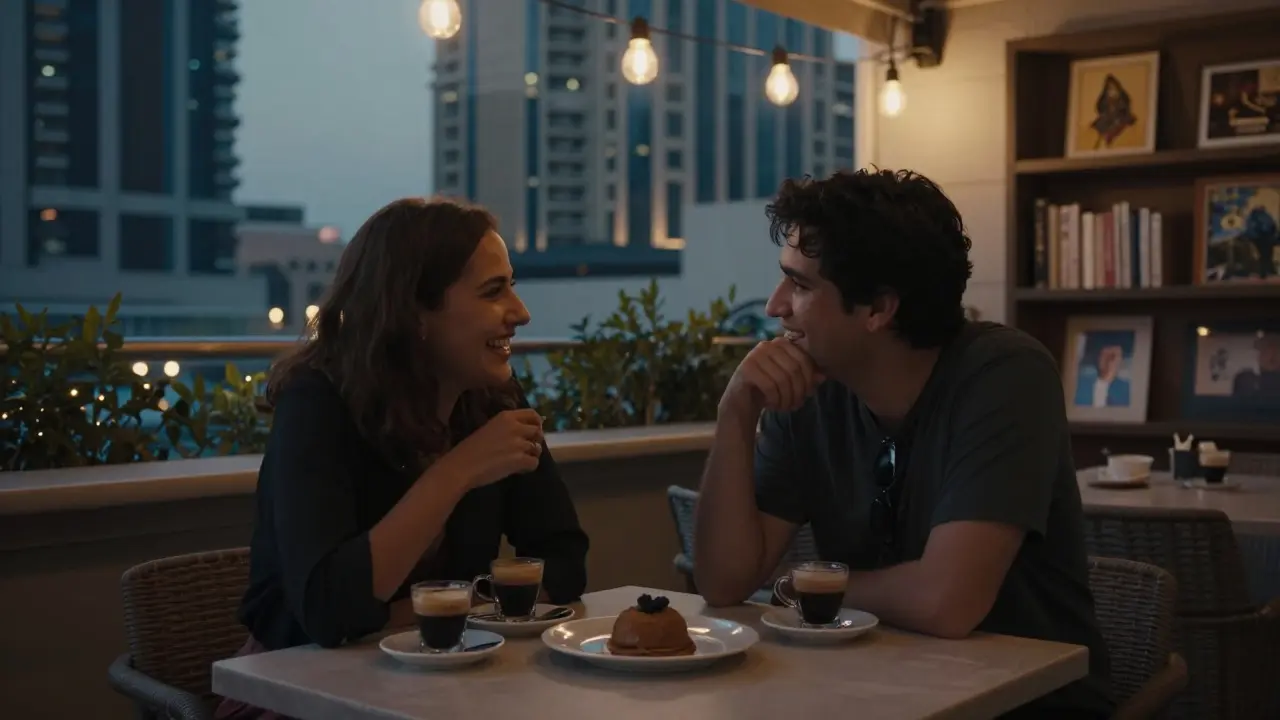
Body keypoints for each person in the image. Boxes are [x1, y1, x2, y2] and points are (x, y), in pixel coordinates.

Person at [693, 169, 1113, 717]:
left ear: (878, 310)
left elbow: (946, 603)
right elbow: (724, 583)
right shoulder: (808, 391)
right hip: (868, 689)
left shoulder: (1005, 375)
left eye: (800, 285)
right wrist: (734, 412)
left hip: (1027, 701)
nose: (775, 306)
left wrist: (804, 584)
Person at [217, 198, 589, 719]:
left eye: (513, 284)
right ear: (414, 313)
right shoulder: (318, 403)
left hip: (446, 681)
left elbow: (565, 559)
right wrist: (458, 472)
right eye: (493, 291)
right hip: (300, 694)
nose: (520, 312)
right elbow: (328, 613)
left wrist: (456, 616)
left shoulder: (492, 399)